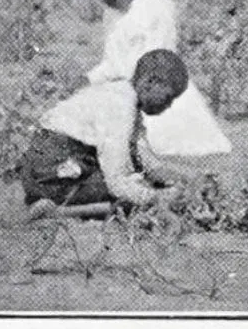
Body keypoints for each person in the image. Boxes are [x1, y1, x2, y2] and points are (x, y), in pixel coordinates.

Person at [86, 0, 231, 158]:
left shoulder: (158, 8)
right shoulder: (111, 14)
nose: (108, 3)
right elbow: (112, 60)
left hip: (156, 85)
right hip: (121, 82)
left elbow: (159, 57)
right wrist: (92, 78)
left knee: (146, 137)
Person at [20, 49, 191, 212]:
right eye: (168, 97)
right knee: (130, 195)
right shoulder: (119, 107)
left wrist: (181, 178)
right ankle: (57, 211)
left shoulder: (125, 97)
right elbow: (117, 180)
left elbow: (144, 157)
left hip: (51, 163)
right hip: (51, 171)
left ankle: (59, 200)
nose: (168, 106)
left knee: (139, 181)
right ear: (150, 82)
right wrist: (155, 197)